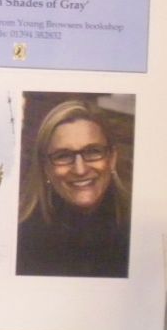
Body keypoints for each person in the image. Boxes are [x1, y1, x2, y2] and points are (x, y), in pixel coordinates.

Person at [16, 99, 132, 277]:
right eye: (63, 156)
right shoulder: (21, 240)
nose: (80, 170)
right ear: (46, 167)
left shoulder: (138, 230)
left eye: (93, 151)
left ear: (112, 158)